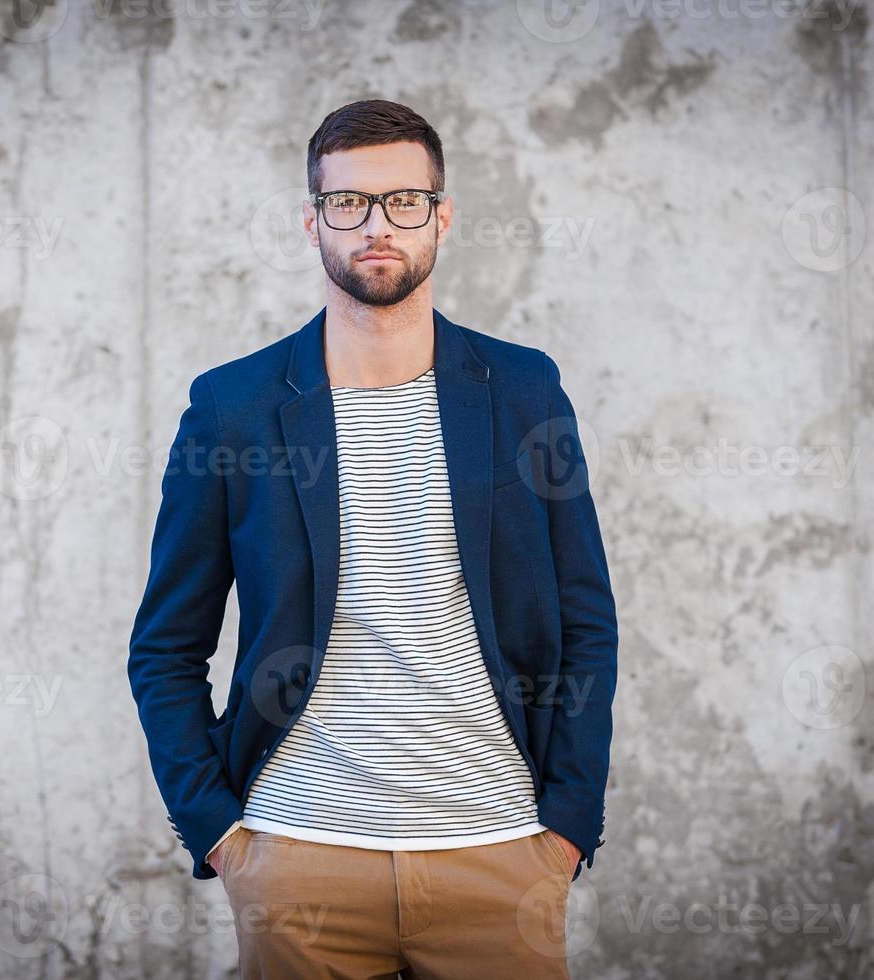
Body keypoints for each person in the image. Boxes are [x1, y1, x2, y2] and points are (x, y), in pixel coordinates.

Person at [127, 98, 618, 978]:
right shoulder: (232, 408)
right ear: (312, 221)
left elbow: (586, 618)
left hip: (501, 852)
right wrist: (220, 833)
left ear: (442, 216)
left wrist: (567, 822)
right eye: (348, 203)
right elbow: (165, 646)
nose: (376, 225)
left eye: (403, 200)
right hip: (297, 855)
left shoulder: (521, 390)